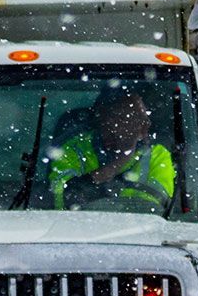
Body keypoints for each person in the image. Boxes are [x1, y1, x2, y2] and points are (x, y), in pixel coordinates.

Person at [48, 90, 176, 213]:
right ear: (105, 120)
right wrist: (115, 165)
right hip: (70, 230)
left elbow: (155, 211)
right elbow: (61, 203)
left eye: (145, 119)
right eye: (133, 118)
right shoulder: (73, 150)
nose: (146, 125)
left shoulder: (157, 155)